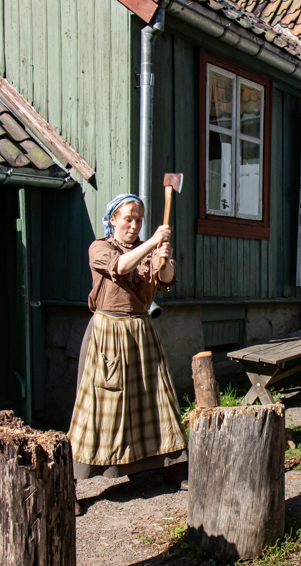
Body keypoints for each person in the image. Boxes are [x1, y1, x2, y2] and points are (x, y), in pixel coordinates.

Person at [68, 194, 187, 513]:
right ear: (113, 220)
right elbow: (120, 267)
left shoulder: (145, 250)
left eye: (139, 220)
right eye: (128, 219)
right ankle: (72, 483)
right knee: (97, 407)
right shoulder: (100, 247)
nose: (134, 225)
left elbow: (163, 281)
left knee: (156, 398)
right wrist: (151, 243)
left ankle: (172, 465)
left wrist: (165, 258)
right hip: (108, 333)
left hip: (141, 330)